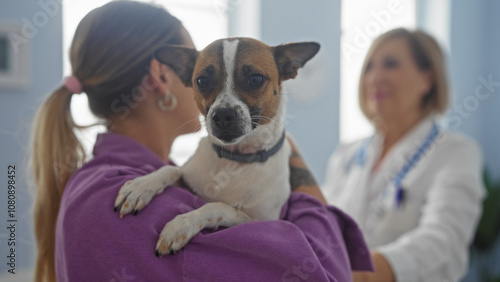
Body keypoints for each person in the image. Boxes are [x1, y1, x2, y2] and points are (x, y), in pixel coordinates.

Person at [30, 1, 373, 281]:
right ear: (166, 75)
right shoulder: (124, 203)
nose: (224, 104)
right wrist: (295, 163)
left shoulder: (123, 180)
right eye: (203, 77)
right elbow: (329, 270)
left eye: (251, 79)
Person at [322, 28, 485, 282]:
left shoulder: (456, 152)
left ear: (427, 79)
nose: (375, 77)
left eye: (391, 64)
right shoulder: (348, 153)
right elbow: (322, 225)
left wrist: (368, 272)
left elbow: (444, 241)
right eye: (369, 67)